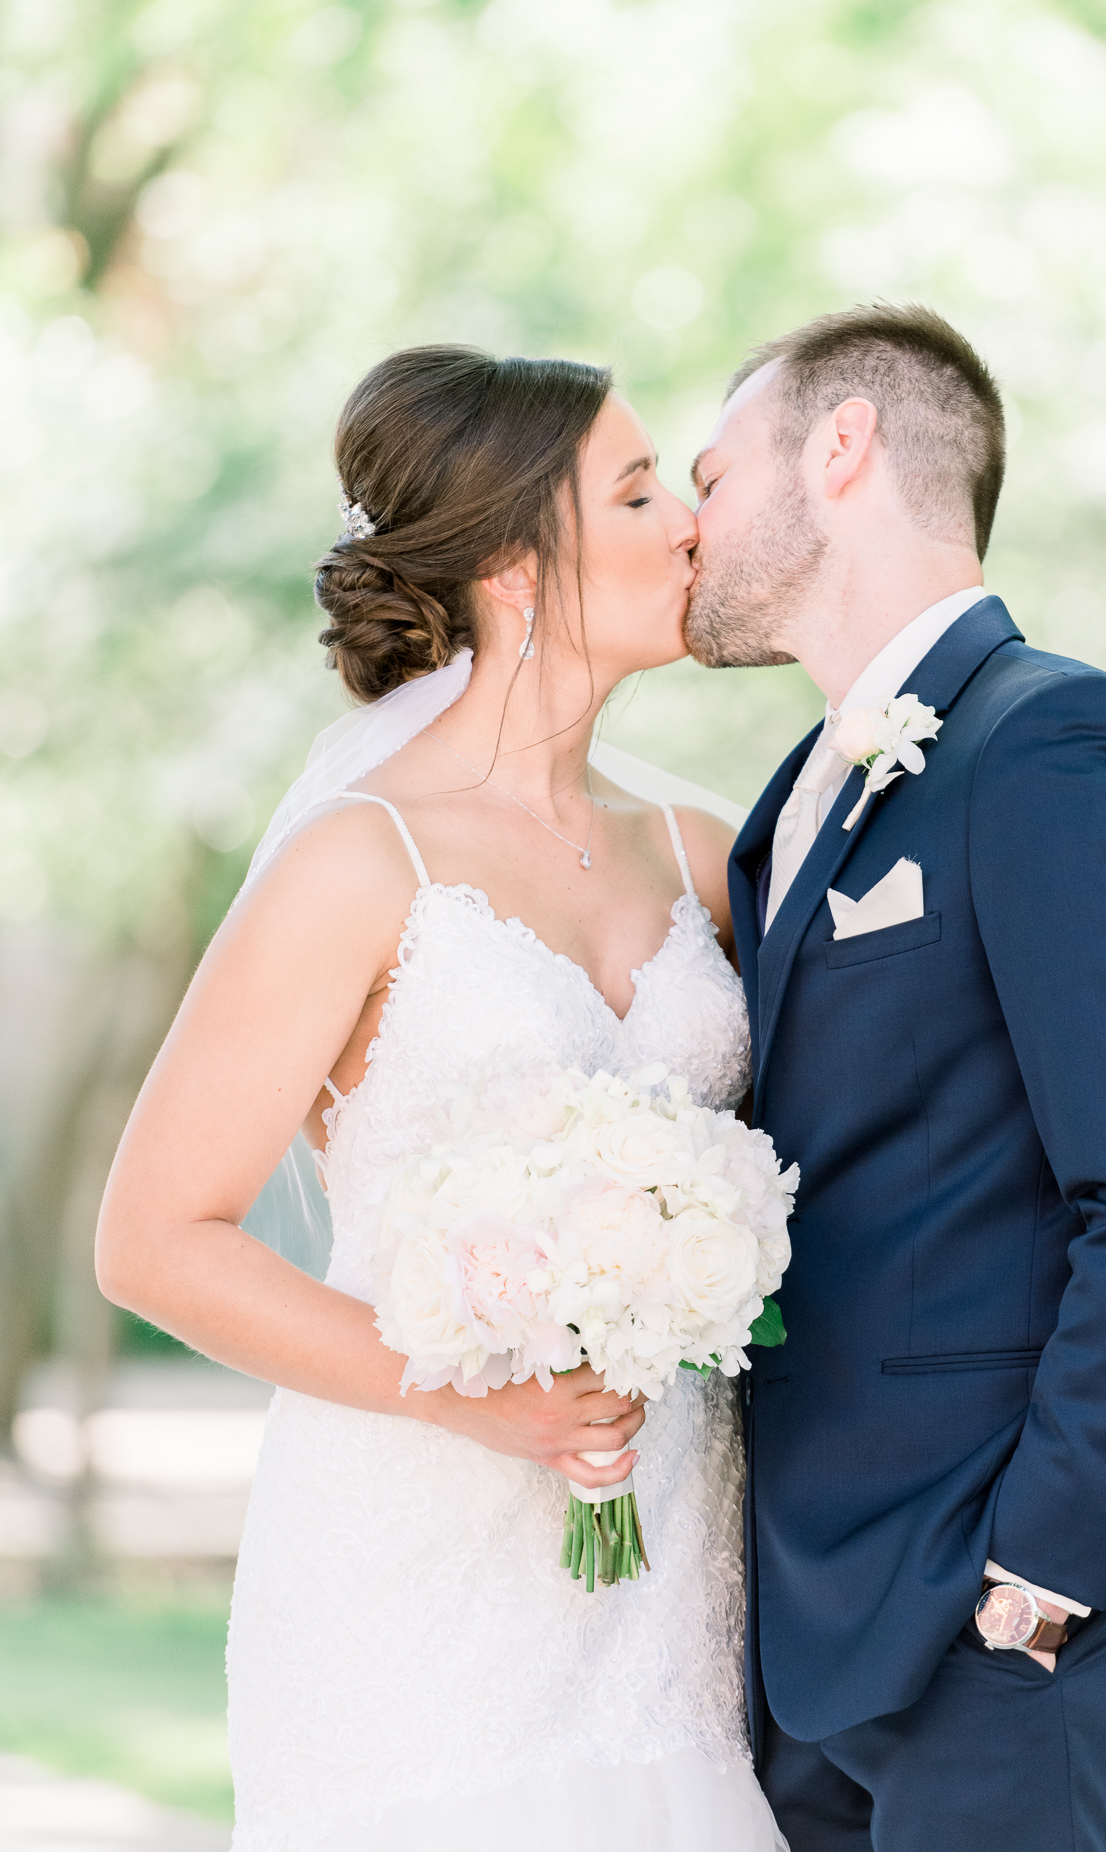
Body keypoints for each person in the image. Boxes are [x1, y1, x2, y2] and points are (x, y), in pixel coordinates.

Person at [95, 346, 785, 1852]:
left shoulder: (703, 853)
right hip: (415, 1576)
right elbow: (154, 1240)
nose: (689, 520)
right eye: (637, 487)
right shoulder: (361, 862)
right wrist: (485, 1403)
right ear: (511, 567)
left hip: (670, 1569)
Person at [684, 301, 1106, 1852]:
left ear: (843, 445)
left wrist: (1037, 1581)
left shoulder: (1058, 747)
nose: (690, 525)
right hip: (819, 1633)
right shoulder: (789, 801)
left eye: (713, 475)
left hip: (1008, 1633)